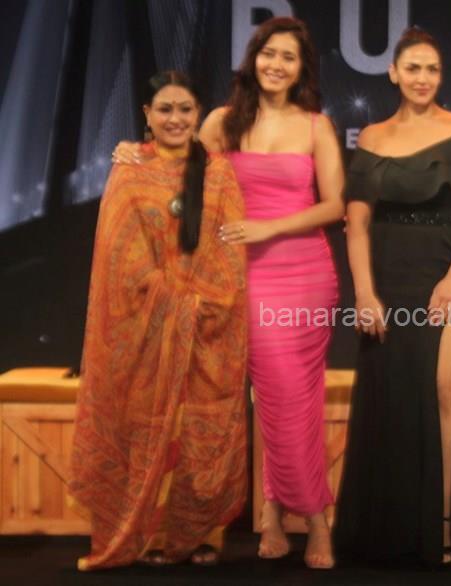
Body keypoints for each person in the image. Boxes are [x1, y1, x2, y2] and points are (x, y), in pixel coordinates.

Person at [113, 18, 345, 569]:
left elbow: (335, 205)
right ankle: (308, 517)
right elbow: (175, 167)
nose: (276, 65)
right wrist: (134, 152)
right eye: (269, 54)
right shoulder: (223, 121)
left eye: (288, 57)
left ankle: (289, 516)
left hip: (308, 274)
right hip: (244, 276)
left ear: (301, 68)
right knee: (278, 396)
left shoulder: (317, 126)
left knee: (295, 400)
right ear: (253, 58)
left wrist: (270, 227)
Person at [332, 27, 451, 566]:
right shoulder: (373, 137)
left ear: (441, 75)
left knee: (444, 395)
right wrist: (365, 293)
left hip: (439, 280)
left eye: (431, 69)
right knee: (390, 403)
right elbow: (356, 225)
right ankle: (389, 531)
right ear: (393, 73)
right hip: (386, 280)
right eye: (413, 68)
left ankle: (445, 525)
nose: (423, 78)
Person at [70, 70, 248, 570]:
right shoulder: (129, 173)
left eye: (185, 109)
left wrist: (200, 305)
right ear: (147, 114)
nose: (175, 118)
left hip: (209, 325)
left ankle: (195, 537)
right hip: (145, 329)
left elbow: (230, 251)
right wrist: (171, 302)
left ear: (198, 114)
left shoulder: (218, 173)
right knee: (142, 426)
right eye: (165, 109)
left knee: (200, 430)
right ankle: (143, 536)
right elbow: (120, 259)